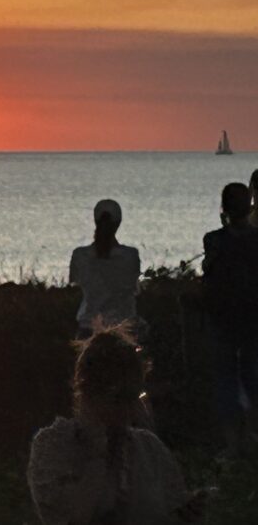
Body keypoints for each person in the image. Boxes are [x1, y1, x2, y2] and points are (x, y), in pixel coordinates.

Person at [28, 325, 203, 524]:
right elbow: (73, 517)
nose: (133, 410)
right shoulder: (53, 447)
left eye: (137, 396)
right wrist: (97, 451)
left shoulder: (149, 449)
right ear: (88, 395)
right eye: (120, 398)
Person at [202, 182, 258, 457]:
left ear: (223, 208)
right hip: (252, 318)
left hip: (222, 318)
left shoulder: (213, 240)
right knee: (252, 376)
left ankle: (232, 444)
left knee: (225, 380)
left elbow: (208, 274)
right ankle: (250, 437)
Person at [69, 199, 142, 339]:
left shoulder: (80, 255)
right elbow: (133, 287)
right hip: (123, 328)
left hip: (88, 327)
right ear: (118, 223)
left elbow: (75, 284)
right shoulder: (130, 255)